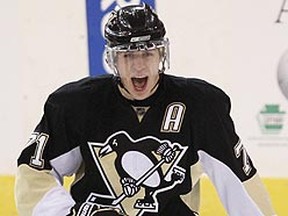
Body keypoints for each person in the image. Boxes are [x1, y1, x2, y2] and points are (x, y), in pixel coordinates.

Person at [15, 3, 276, 216]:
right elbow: (35, 173)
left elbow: (241, 185)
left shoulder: (200, 106)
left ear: (162, 55)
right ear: (113, 59)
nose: (139, 67)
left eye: (148, 53)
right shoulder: (75, 105)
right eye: (128, 55)